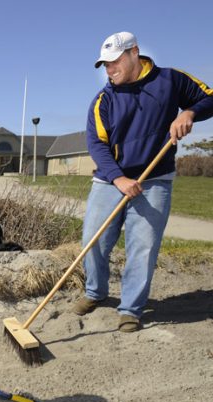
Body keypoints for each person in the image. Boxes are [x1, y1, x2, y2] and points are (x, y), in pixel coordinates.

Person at [75, 31, 213, 332]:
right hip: (110, 181)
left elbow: (210, 98)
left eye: (114, 63)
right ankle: (95, 292)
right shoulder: (104, 99)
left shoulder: (170, 81)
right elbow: (96, 145)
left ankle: (131, 309)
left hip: (155, 180)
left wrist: (189, 112)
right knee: (93, 241)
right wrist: (119, 178)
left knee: (143, 247)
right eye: (105, 65)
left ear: (134, 53)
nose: (110, 71)